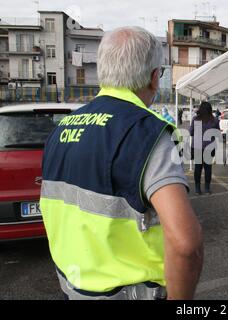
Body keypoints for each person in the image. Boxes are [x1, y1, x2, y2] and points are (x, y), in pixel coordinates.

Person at [39, 27, 203, 300]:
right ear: (153, 78)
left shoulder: (59, 131)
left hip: (72, 289)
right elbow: (186, 243)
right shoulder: (146, 133)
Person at [190, 101, 220, 195]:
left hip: (198, 146)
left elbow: (191, 132)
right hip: (209, 147)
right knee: (208, 168)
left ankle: (197, 189)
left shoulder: (196, 119)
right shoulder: (214, 120)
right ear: (210, 109)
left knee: (198, 168)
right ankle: (207, 188)